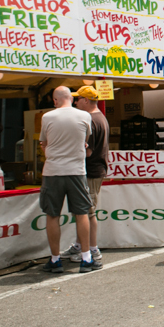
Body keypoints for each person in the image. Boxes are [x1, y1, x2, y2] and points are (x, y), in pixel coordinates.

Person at [38, 87, 97, 273]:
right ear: (72, 99)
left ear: (55, 101)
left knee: (52, 215)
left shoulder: (47, 117)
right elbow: (85, 141)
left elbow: (44, 145)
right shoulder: (85, 117)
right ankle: (86, 258)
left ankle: (55, 260)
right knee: (82, 213)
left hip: (52, 171)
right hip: (77, 171)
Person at [61, 86, 109, 265]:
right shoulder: (99, 117)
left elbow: (88, 152)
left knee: (88, 212)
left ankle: (92, 249)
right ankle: (81, 245)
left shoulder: (91, 119)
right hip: (95, 170)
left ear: (86, 101)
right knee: (86, 211)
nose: (75, 102)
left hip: (91, 171)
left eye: (78, 99)